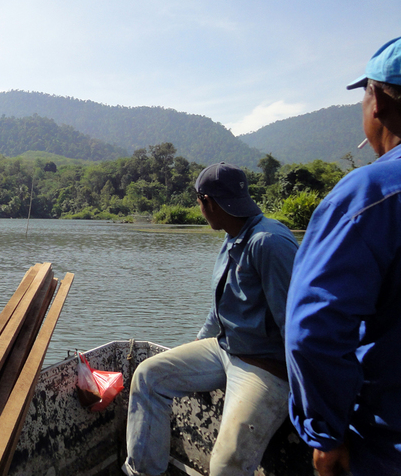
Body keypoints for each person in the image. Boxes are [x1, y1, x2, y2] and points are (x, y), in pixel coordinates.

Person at [123, 162, 299, 476]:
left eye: (199, 202)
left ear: (209, 203)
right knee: (148, 375)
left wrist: (311, 396)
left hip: (264, 366)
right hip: (224, 349)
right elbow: (220, 308)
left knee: (224, 465)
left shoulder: (268, 242)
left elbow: (296, 324)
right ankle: (143, 471)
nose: (199, 208)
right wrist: (196, 343)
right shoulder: (233, 237)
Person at [285, 36, 401, 476]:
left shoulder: (369, 196)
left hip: (385, 445)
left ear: (378, 104)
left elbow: (312, 332)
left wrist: (326, 435)